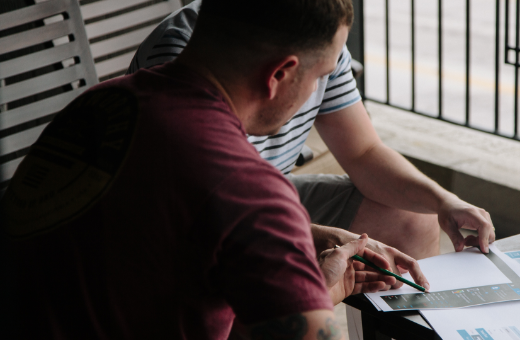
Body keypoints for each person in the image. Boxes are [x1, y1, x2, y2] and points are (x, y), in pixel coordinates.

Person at [0, 0, 408, 338]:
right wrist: (316, 292)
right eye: (320, 76)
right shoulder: (249, 187)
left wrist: (306, 261)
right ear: (279, 74)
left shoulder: (99, 106)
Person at [127, 0, 496, 271]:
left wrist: (442, 200)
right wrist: (325, 238)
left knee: (413, 215)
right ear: (279, 73)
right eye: (320, 76)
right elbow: (207, 209)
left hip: (268, 194)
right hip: (192, 216)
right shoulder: (189, 63)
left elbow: (363, 151)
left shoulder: (319, 30)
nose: (320, 90)